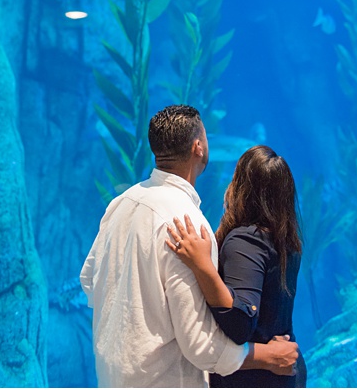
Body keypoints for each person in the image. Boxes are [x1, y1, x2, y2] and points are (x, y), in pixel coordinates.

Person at [81, 104, 299, 387]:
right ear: (198, 147)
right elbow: (200, 345)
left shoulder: (120, 205)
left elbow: (89, 282)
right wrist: (267, 356)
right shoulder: (188, 225)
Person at [167, 145, 305, 387]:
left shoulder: (246, 240)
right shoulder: (287, 242)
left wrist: (202, 266)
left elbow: (240, 324)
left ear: (241, 186)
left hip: (253, 379)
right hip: (283, 376)